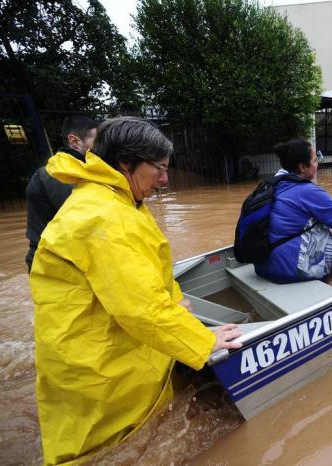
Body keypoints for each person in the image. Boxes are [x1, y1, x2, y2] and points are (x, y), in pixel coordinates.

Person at [29, 117, 242, 465]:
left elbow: (144, 274)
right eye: (158, 168)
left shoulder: (112, 199)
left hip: (93, 347)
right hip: (99, 364)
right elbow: (141, 309)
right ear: (126, 163)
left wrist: (176, 303)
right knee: (105, 450)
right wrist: (204, 342)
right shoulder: (108, 218)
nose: (165, 179)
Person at [255, 139, 332, 290]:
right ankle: (330, 282)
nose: (317, 164)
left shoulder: (274, 184)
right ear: (302, 167)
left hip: (262, 264)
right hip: (285, 270)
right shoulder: (307, 191)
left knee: (330, 231)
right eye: (314, 160)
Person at [24, 115, 99, 271]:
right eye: (97, 141)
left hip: (59, 259)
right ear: (74, 141)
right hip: (52, 264)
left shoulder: (78, 171)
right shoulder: (59, 174)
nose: (101, 147)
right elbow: (86, 224)